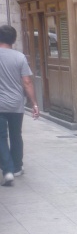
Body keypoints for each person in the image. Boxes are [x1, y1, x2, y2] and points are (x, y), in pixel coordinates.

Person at [0, 25, 38, 187]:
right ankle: (17, 167)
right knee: (16, 135)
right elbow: (27, 82)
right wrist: (34, 103)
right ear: (14, 40)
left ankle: (7, 170)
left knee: (1, 137)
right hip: (16, 103)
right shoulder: (20, 57)